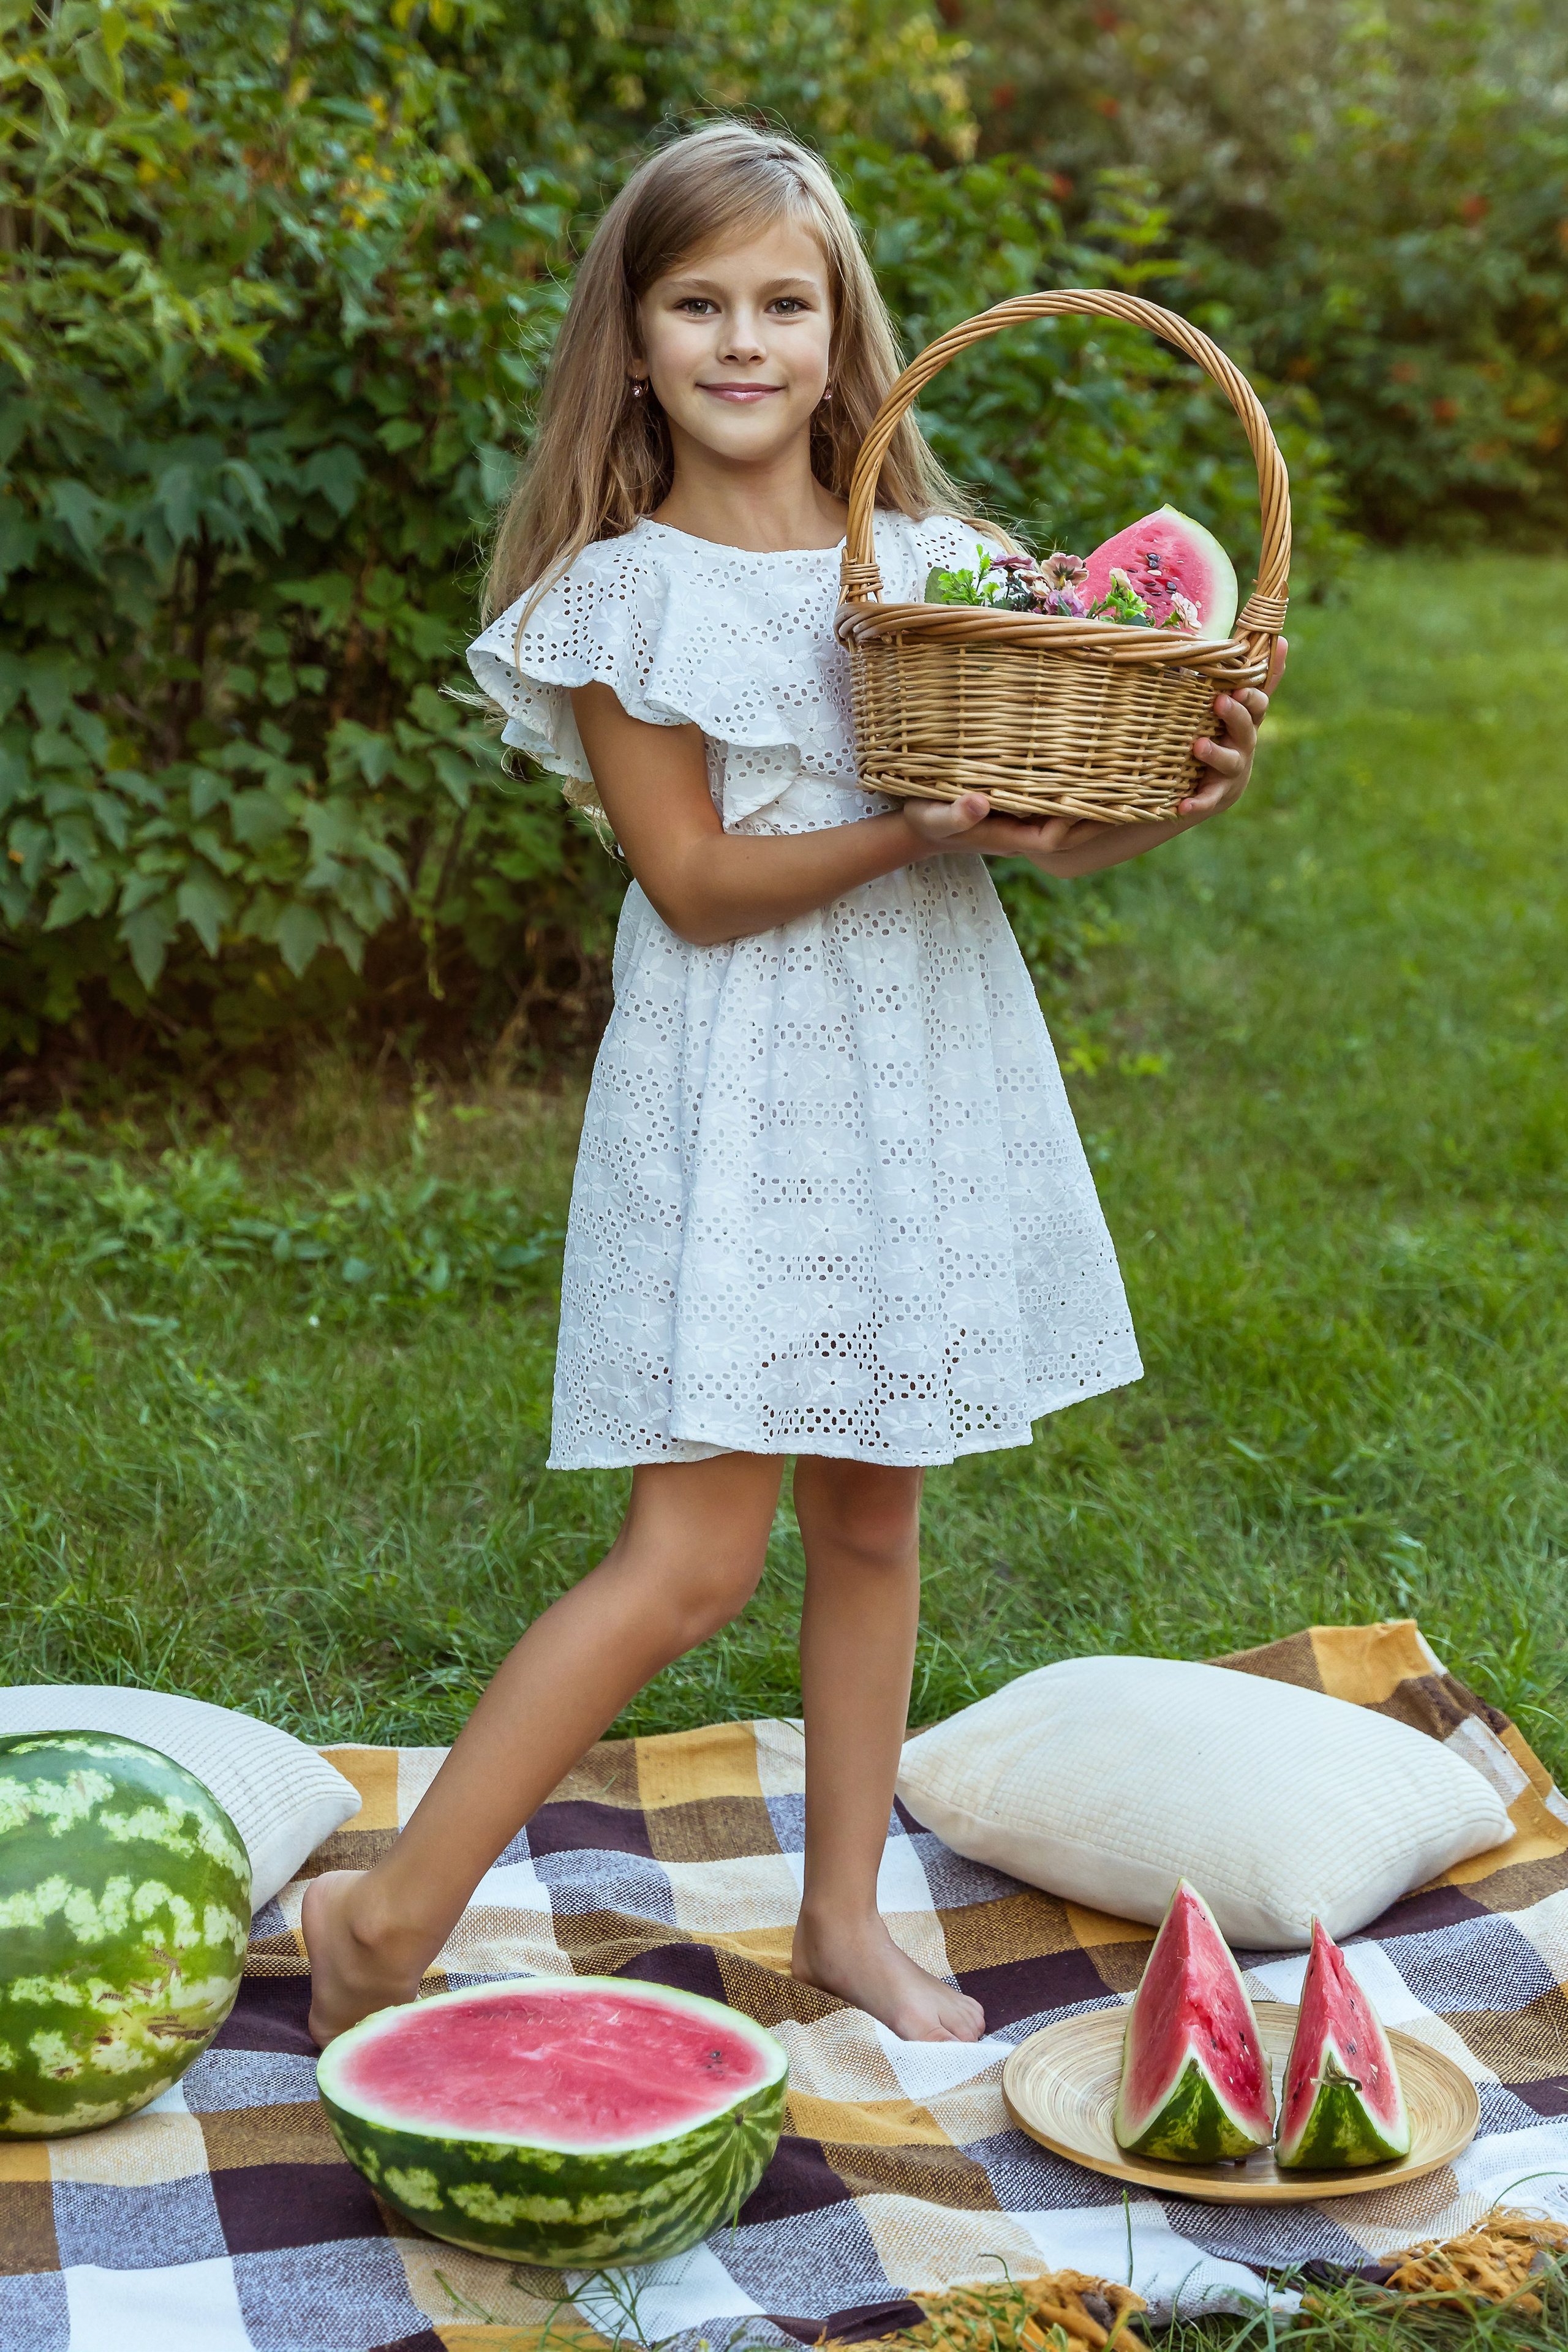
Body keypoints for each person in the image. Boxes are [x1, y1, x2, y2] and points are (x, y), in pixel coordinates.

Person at [303, 121, 1284, 2048]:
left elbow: (1041, 832)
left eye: (783, 302)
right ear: (633, 338)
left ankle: (843, 1916)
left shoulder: (936, 566)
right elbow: (694, 880)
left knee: (874, 1522)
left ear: (844, 336)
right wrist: (907, 831)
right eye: (699, 305)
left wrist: (1173, 797)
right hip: (738, 1098)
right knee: (688, 1564)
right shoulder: (627, 597)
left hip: (912, 1079)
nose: (743, 342)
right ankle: (388, 1920)